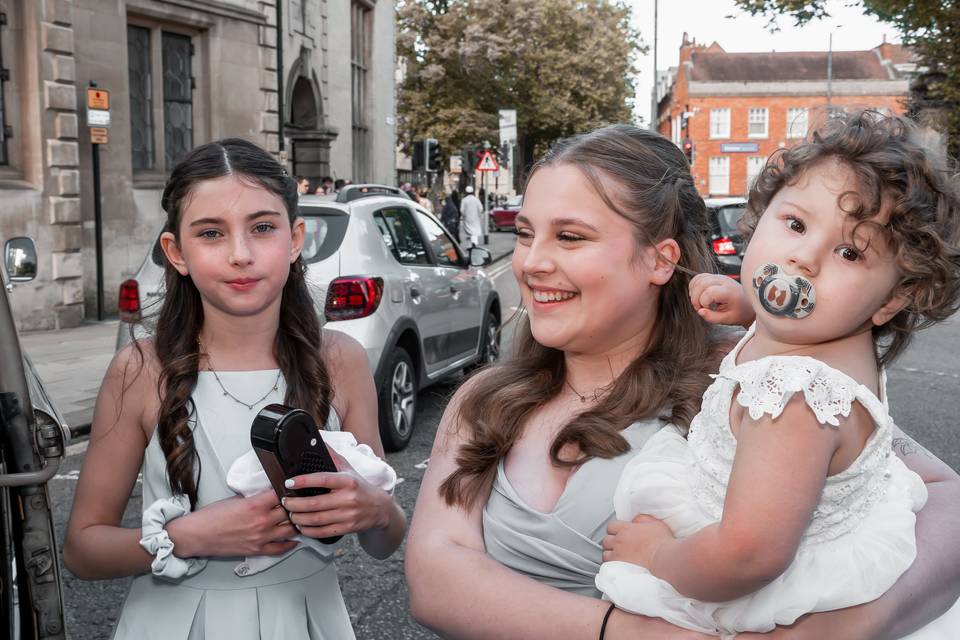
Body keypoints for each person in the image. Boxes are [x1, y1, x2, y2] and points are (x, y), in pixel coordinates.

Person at [404, 123, 960, 639]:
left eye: (570, 237)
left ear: (660, 259)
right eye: (527, 234)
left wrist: (853, 624)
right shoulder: (486, 398)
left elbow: (939, 494)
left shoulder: (754, 381)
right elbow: (434, 579)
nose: (531, 263)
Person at [595, 111, 960, 638]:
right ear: (762, 215)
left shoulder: (792, 401)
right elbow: (806, 321)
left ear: (893, 299)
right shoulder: (830, 335)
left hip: (741, 577)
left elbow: (748, 555)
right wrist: (750, 308)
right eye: (795, 224)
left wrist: (659, 555)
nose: (803, 259)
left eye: (850, 252)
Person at [63, 138, 406, 639]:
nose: (240, 255)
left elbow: (384, 541)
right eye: (211, 233)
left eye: (262, 227)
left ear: (295, 240)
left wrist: (375, 508)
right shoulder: (139, 369)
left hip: (309, 620)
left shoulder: (341, 360)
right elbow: (82, 550)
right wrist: (188, 536)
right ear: (176, 252)